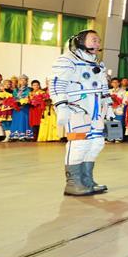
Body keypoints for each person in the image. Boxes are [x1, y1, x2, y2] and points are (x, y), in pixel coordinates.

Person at [50, 29, 111, 195]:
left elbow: (103, 86)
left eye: (98, 41)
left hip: (96, 107)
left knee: (96, 142)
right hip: (77, 106)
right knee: (79, 143)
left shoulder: (97, 63)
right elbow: (56, 84)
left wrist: (109, 104)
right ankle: (73, 182)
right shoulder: (67, 60)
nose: (97, 43)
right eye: (93, 40)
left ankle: (86, 180)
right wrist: (61, 105)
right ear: (79, 41)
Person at [9, 74, 33, 140]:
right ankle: (15, 135)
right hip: (17, 107)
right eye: (21, 80)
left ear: (26, 81)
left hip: (25, 107)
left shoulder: (29, 89)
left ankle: (25, 135)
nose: (22, 81)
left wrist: (24, 101)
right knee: (16, 120)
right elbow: (13, 97)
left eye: (24, 80)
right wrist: (15, 102)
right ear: (19, 81)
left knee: (24, 120)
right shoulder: (16, 90)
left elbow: (30, 97)